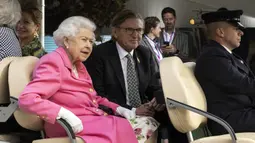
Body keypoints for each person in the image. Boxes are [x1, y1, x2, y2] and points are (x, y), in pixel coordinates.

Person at [18, 16, 141, 143]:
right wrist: (62, 113)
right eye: (84, 40)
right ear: (66, 41)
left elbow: (93, 98)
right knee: (119, 126)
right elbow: (27, 98)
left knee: (125, 124)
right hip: (66, 125)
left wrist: (118, 108)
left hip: (88, 120)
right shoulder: (53, 62)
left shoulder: (79, 65)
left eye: (91, 41)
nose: (89, 46)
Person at [194, 9, 255, 135]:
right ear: (220, 32)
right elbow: (243, 84)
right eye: (235, 29)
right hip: (229, 119)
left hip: (240, 114)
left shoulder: (225, 55)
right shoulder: (212, 57)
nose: (241, 33)